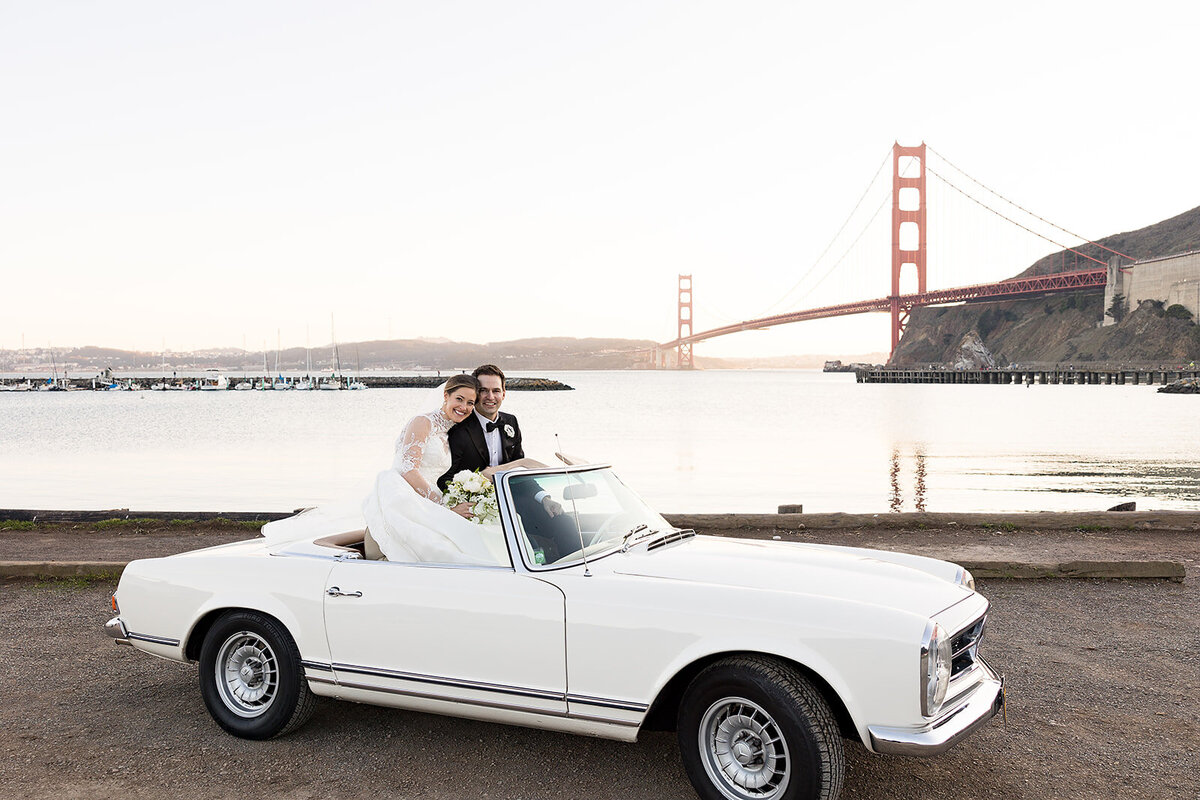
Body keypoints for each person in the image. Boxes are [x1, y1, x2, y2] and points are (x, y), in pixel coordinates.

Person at [361, 374, 508, 565]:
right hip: (405, 493)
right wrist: (444, 506)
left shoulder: (451, 431)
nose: (464, 407)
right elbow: (408, 469)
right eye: (459, 399)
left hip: (427, 497)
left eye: (471, 403)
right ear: (446, 396)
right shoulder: (423, 422)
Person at [438, 364, 579, 561]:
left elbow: (520, 468)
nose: (490, 396)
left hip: (516, 500)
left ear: (504, 393)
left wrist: (544, 498)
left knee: (565, 523)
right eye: (483, 391)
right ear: (475, 394)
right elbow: (444, 477)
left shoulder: (511, 422)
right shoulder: (458, 428)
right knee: (526, 545)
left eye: (496, 390)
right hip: (478, 508)